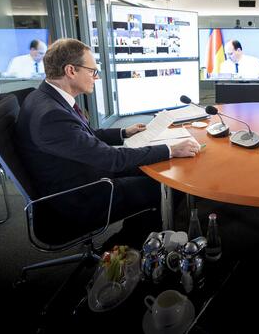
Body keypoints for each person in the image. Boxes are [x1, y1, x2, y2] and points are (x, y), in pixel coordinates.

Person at [15, 38, 201, 246]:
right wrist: (171, 149)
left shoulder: (43, 97)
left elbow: (81, 136)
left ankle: (133, 234)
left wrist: (122, 132)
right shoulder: (51, 116)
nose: (96, 77)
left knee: (151, 167)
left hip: (78, 174)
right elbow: (112, 159)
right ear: (71, 71)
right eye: (92, 71)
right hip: (78, 198)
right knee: (165, 187)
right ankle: (125, 245)